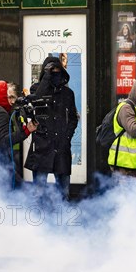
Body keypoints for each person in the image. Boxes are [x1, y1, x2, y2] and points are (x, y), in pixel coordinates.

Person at [24, 56, 79, 199]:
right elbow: (36, 102)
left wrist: (67, 136)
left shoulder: (68, 93)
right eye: (50, 71)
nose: (54, 74)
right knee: (39, 193)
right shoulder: (37, 89)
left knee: (63, 193)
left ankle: (62, 217)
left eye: (57, 70)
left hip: (61, 146)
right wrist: (46, 78)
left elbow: (73, 117)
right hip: (42, 146)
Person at [108, 75, 136, 179]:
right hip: (122, 164)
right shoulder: (126, 107)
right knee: (122, 194)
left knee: (130, 195)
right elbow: (134, 131)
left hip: (131, 164)